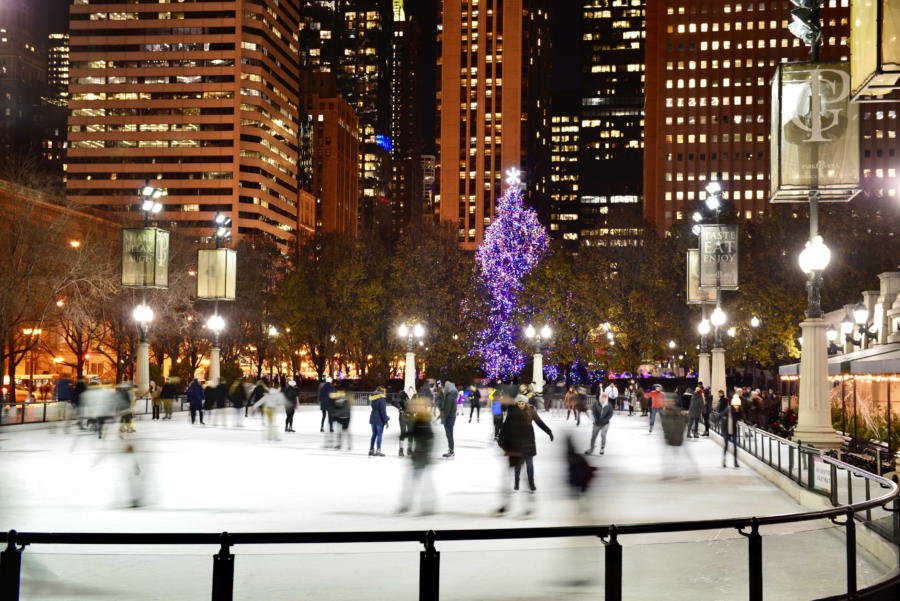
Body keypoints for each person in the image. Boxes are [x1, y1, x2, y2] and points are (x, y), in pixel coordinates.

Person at [497, 391, 554, 515]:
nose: (521, 405)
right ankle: (515, 485)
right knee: (513, 471)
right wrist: (501, 438)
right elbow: (505, 426)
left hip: (527, 444)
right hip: (515, 446)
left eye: (523, 403)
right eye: (519, 403)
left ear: (526, 403)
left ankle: (530, 488)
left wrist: (548, 431)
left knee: (529, 465)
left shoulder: (531, 411)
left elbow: (539, 423)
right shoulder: (512, 413)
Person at [397, 395, 435, 515]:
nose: (412, 407)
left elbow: (428, 437)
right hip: (419, 455)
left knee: (421, 482)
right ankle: (408, 505)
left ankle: (425, 507)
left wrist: (425, 454)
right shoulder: (420, 418)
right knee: (415, 481)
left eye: (415, 406)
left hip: (422, 455)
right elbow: (416, 432)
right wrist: (405, 435)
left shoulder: (423, 419)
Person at [389, 386, 415, 456]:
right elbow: (393, 402)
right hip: (403, 417)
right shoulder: (402, 396)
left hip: (411, 418)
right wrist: (400, 407)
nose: (410, 392)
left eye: (411, 390)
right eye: (409, 390)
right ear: (406, 391)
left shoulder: (415, 397)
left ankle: (409, 449)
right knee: (403, 433)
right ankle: (401, 450)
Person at [367, 386, 389, 456]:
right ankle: (378, 450)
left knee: (374, 434)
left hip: (373, 417)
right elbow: (383, 411)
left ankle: (371, 450)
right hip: (379, 419)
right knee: (379, 434)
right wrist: (386, 420)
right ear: (382, 392)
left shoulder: (373, 398)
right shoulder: (382, 399)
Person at [722, 392, 742, 468]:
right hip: (726, 429)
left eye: (738, 406)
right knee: (726, 445)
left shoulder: (738, 410)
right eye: (735, 405)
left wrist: (748, 423)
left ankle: (735, 461)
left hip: (733, 430)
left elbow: (741, 418)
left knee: (735, 446)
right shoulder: (728, 409)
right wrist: (714, 419)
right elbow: (721, 415)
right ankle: (724, 461)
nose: (737, 407)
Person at [440, 381, 458, 457]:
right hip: (451, 418)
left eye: (445, 387)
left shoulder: (449, 397)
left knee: (449, 434)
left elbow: (447, 410)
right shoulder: (452, 396)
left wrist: (443, 420)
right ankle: (451, 449)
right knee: (449, 434)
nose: (444, 388)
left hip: (449, 418)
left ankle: (451, 450)